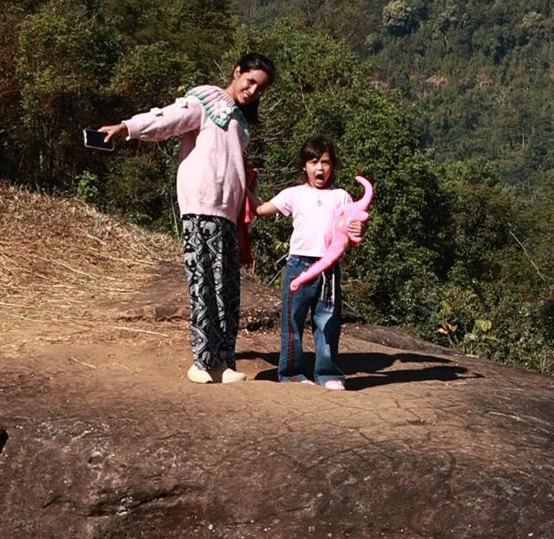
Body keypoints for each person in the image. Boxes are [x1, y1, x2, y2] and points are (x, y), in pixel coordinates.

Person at [92, 53, 275, 383]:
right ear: (236, 72)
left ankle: (223, 362)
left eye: (259, 88)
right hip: (201, 207)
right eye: (249, 82)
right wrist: (128, 127)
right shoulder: (205, 99)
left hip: (228, 215)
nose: (252, 91)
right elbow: (167, 119)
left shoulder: (239, 121)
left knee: (226, 289)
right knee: (203, 285)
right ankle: (201, 363)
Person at [259, 139, 371, 390]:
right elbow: (260, 209)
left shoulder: (341, 196)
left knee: (328, 322)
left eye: (325, 162)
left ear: (332, 166)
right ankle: (291, 374)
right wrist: (246, 184)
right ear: (304, 166)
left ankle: (327, 373)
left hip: (328, 268)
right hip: (298, 265)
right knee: (292, 321)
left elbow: (352, 229)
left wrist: (357, 228)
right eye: (313, 162)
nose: (319, 168)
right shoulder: (293, 194)